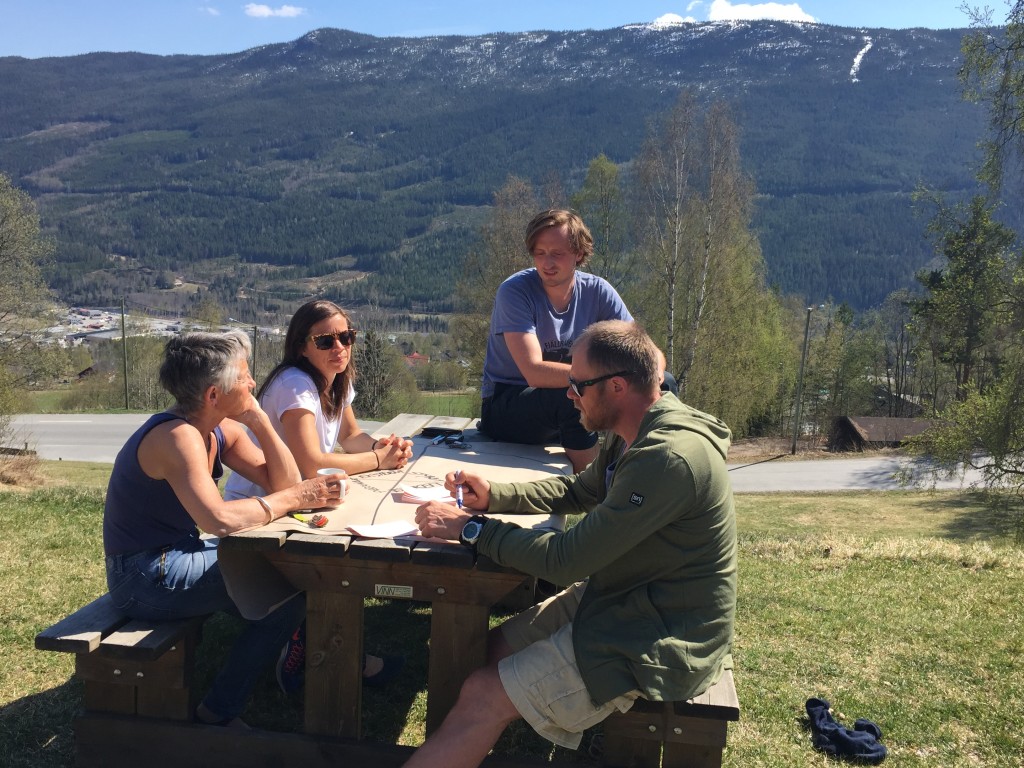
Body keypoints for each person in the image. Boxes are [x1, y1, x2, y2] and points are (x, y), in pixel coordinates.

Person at [409, 320, 736, 768]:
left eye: (577, 384)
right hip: (625, 594)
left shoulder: (666, 458)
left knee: (483, 693)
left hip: (663, 635)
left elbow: (564, 560)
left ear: (617, 386)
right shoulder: (636, 430)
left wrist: (472, 529)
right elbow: (579, 491)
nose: (568, 394)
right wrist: (495, 496)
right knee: (479, 652)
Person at [103, 330, 344, 728]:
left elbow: (283, 484)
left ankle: (267, 674)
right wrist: (295, 498)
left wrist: (260, 421)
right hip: (144, 575)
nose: (253, 383)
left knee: (285, 591)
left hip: (179, 555)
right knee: (285, 584)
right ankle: (219, 712)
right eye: (244, 377)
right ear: (214, 395)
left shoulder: (217, 427)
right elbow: (217, 520)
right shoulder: (176, 437)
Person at [223, 298, 409, 689]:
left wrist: (387, 448)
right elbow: (310, 463)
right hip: (261, 510)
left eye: (346, 337)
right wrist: (378, 460)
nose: (339, 347)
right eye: (325, 341)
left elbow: (352, 436)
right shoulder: (295, 384)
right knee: (338, 567)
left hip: (298, 501)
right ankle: (323, 649)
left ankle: (318, 641)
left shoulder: (335, 378)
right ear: (301, 347)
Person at [479, 209, 672, 473]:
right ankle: (595, 487)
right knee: (572, 395)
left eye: (557, 254)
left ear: (579, 254)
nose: (547, 263)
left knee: (663, 385)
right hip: (508, 403)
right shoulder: (515, 291)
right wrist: (595, 381)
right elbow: (534, 371)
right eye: (539, 253)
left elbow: (646, 350)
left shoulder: (597, 291)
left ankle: (652, 470)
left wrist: (654, 372)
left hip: (571, 393)